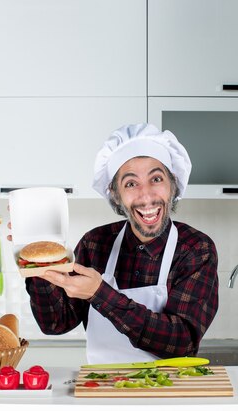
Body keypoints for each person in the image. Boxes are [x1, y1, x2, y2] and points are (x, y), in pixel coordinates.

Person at [25, 123, 219, 363]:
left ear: (172, 184)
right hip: (102, 389)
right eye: (130, 183)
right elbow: (55, 323)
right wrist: (37, 260)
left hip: (169, 393)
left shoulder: (195, 249)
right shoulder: (95, 244)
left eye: (156, 179)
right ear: (115, 194)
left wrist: (100, 293)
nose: (146, 195)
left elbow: (181, 343)